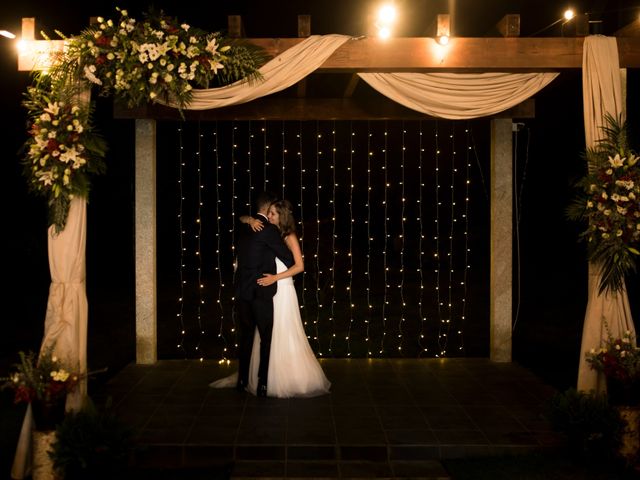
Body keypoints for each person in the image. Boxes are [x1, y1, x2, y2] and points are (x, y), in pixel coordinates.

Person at [211, 199, 330, 398]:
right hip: (268, 291)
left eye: (273, 214)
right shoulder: (268, 233)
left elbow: (299, 266)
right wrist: (248, 219)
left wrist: (275, 278)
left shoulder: (288, 236)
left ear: (281, 216)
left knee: (283, 332)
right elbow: (243, 224)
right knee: (266, 334)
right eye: (270, 213)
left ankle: (286, 377)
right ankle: (264, 378)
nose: (270, 217)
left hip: (282, 288)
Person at [233, 191, 294, 397]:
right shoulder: (269, 231)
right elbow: (289, 259)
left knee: (246, 336)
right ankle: (263, 383)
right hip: (261, 290)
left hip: (242, 290)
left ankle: (242, 380)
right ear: (268, 209)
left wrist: (247, 218)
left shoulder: (243, 226)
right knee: (266, 338)